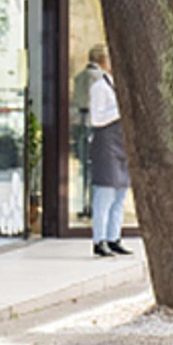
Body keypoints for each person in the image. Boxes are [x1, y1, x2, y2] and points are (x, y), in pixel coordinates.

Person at [88, 49, 133, 257]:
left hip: (121, 145)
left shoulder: (120, 86)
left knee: (120, 196)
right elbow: (96, 119)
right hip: (106, 145)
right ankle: (99, 240)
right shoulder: (99, 87)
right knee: (104, 195)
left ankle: (114, 238)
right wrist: (121, 108)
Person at [72, 46, 109, 218]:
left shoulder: (79, 77)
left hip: (80, 122)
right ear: (102, 60)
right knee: (96, 167)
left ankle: (85, 203)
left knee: (84, 168)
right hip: (95, 124)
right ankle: (94, 206)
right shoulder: (100, 78)